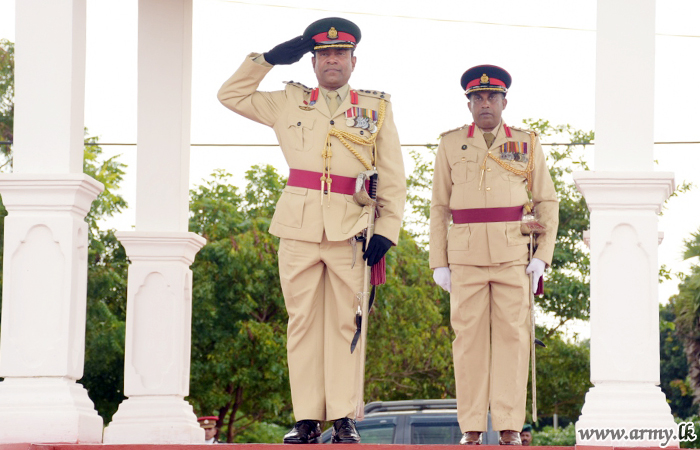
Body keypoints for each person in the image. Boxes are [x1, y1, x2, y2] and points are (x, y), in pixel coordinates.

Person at [217, 17, 406, 444]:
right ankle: (306, 419)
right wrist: (266, 60)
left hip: (352, 228)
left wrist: (387, 229)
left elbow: (394, 176)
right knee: (301, 322)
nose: (332, 60)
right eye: (324, 54)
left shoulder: (376, 108)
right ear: (312, 62)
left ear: (354, 61)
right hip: (298, 226)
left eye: (340, 53)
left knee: (346, 323)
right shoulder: (290, 100)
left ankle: (342, 417)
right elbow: (230, 95)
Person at [429, 65, 558, 445]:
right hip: (465, 256)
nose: (485, 103)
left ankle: (509, 426)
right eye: (478, 98)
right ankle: (471, 426)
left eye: (492, 97)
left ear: (504, 102)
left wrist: (542, 256)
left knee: (513, 340)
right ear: (469, 104)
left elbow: (546, 200)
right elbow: (439, 206)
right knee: (467, 342)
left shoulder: (526, 143)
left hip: (513, 254)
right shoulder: (450, 144)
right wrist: (439, 261)